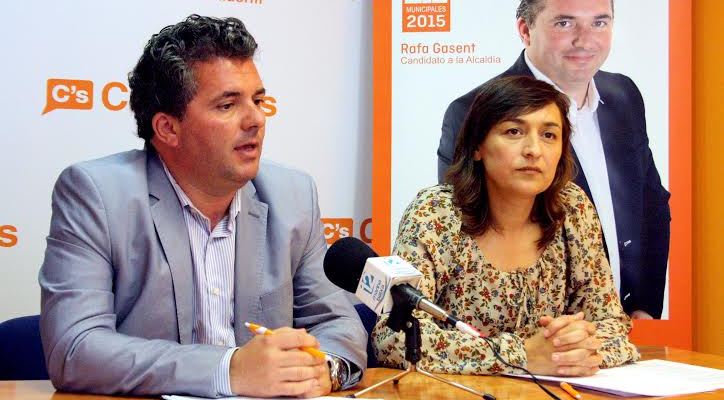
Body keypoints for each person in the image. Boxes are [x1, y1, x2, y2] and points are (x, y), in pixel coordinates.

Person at [38, 15, 366, 398]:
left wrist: (324, 369)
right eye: (227, 105)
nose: (256, 119)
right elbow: (75, 349)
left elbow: (338, 323)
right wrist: (229, 369)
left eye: (258, 100)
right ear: (168, 129)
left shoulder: (292, 195)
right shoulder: (97, 195)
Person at [374, 76, 639, 376]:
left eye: (549, 135)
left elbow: (611, 326)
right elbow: (393, 338)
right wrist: (522, 356)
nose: (534, 150)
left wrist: (572, 347)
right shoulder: (436, 213)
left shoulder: (572, 208)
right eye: (514, 131)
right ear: (477, 146)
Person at [437, 0, 670, 319]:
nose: (585, 40)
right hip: (541, 335)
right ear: (525, 30)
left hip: (626, 324)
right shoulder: (472, 111)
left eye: (599, 23)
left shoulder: (624, 94)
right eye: (565, 23)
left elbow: (651, 204)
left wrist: (644, 306)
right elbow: (469, 239)